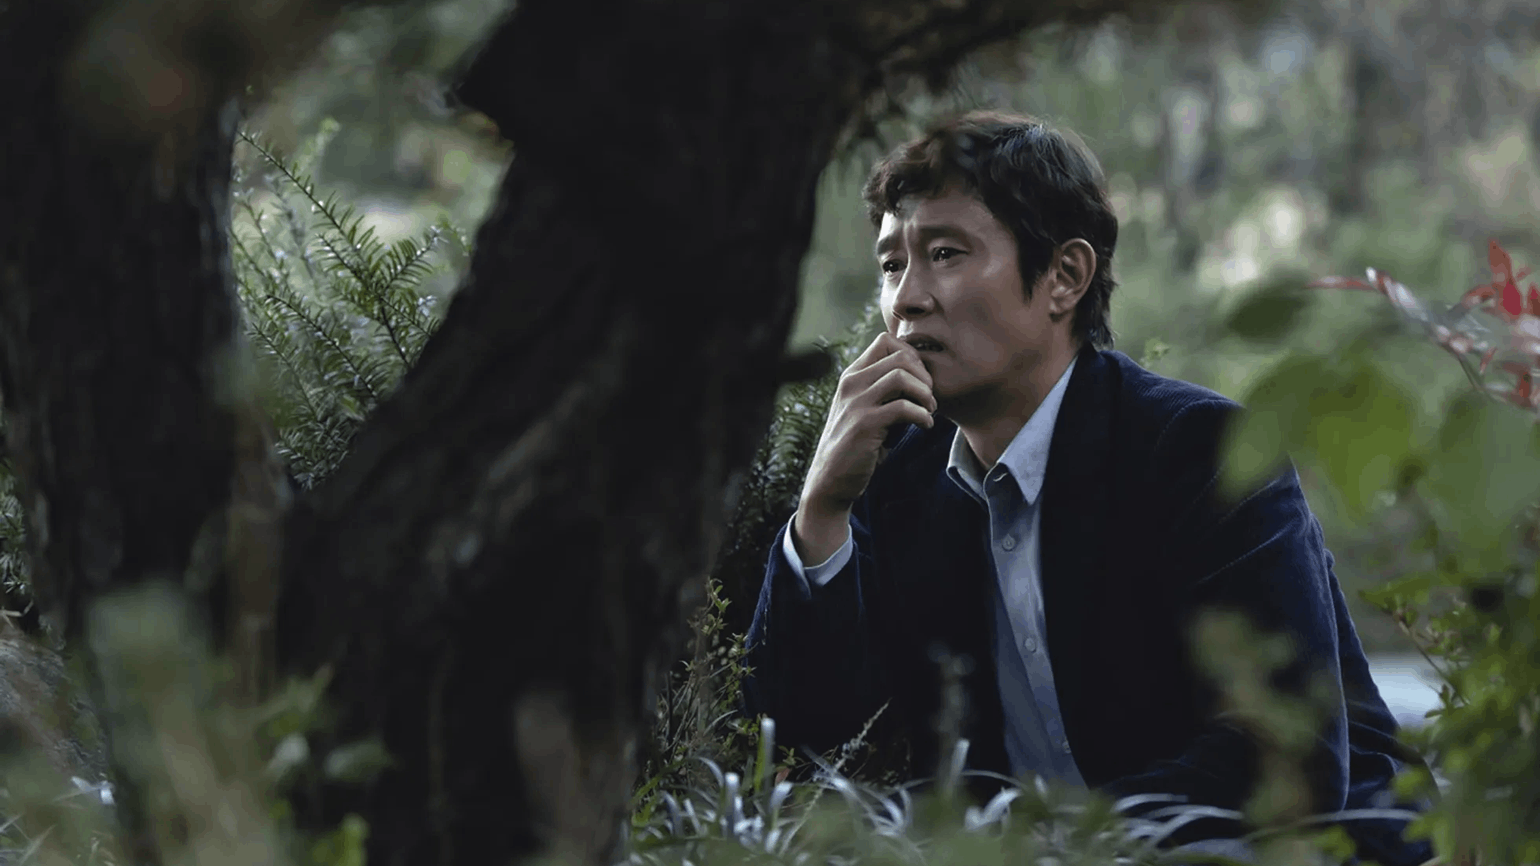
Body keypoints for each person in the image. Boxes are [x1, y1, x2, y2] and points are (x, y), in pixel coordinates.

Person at [742, 111, 1432, 866]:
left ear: (1065, 277)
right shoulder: (898, 477)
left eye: (944, 254)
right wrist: (822, 512)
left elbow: (1284, 760)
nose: (907, 297)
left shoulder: (1199, 451)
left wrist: (1041, 845)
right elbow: (811, 754)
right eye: (890, 264)